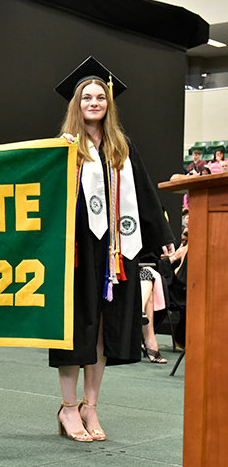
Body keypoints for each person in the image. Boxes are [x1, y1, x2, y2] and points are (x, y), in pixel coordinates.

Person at [50, 57, 175, 442]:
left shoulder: (123, 147)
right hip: (79, 251)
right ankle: (68, 409)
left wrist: (161, 232)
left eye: (99, 96)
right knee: (77, 328)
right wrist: (61, 157)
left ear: (108, 103)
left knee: (104, 329)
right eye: (86, 97)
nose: (93, 102)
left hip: (118, 250)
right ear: (76, 104)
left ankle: (91, 407)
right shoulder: (65, 147)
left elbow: (145, 194)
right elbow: (48, 196)